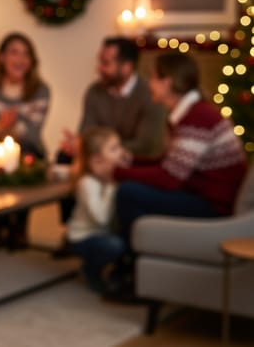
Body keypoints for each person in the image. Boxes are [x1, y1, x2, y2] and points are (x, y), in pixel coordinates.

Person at [114, 52, 248, 246]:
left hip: (214, 205)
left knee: (128, 192)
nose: (148, 83)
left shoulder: (197, 118)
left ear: (167, 82)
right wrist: (130, 161)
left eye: (152, 77)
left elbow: (169, 178)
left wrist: (116, 171)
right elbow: (170, 163)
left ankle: (128, 262)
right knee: (132, 189)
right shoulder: (189, 112)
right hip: (200, 193)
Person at [53, 37, 166, 256]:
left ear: (126, 67)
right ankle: (73, 230)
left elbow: (147, 144)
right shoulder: (94, 92)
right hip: (101, 153)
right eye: (100, 61)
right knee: (63, 157)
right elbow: (86, 130)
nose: (99, 68)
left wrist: (107, 151)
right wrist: (78, 144)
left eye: (106, 63)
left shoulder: (148, 94)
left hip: (132, 156)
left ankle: (109, 232)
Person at [0, 32, 50, 248]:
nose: (20, 59)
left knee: (25, 154)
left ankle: (19, 227)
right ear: (1, 57)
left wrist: (11, 126)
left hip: (27, 146)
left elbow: (33, 133)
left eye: (26, 54)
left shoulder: (40, 90)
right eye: (14, 53)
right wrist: (0, 126)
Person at [67, 127, 128, 295]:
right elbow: (101, 219)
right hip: (83, 237)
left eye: (119, 146)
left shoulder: (110, 178)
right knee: (115, 246)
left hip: (104, 233)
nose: (121, 152)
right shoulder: (88, 183)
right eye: (114, 149)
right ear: (97, 161)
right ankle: (89, 270)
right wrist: (110, 185)